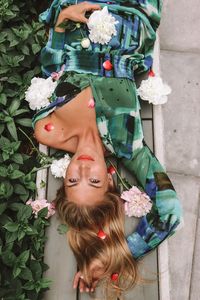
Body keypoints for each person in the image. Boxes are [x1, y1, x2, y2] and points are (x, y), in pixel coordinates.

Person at [30, 0, 182, 296]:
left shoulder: (48, 131)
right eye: (95, 180)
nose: (84, 168)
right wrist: (116, 254)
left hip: (80, 10)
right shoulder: (128, 144)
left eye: (74, 180)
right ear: (110, 180)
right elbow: (169, 212)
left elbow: (52, 69)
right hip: (132, 12)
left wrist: (61, 23)